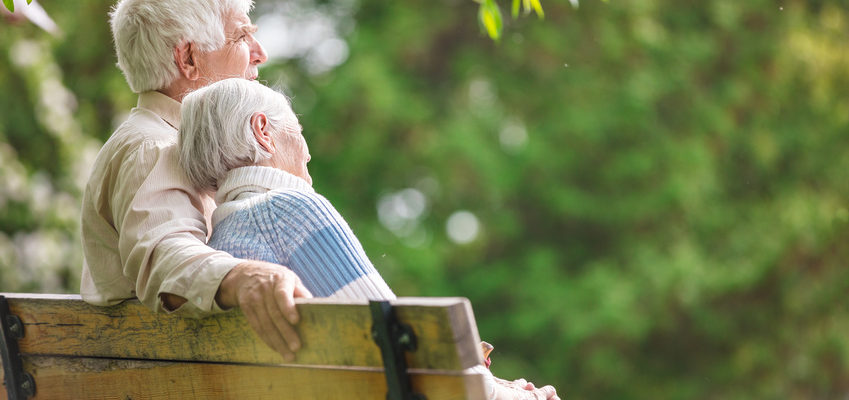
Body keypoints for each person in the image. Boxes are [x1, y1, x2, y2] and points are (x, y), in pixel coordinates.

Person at [177, 78, 560, 400]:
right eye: (299, 130)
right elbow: (407, 355)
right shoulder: (288, 210)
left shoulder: (219, 240)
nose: (308, 152)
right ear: (263, 132)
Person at [80, 0, 309, 362]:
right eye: (243, 36)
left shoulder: (172, 142)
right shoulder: (155, 147)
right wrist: (245, 276)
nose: (261, 54)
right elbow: (164, 255)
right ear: (188, 58)